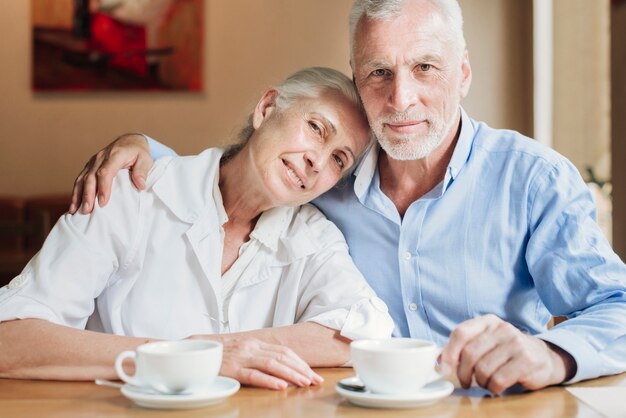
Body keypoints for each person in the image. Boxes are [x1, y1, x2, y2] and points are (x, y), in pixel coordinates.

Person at [68, 0, 626, 395]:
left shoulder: (533, 180)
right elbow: (244, 171)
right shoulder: (329, 177)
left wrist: (553, 355)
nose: (400, 97)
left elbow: (617, 307)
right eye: (378, 73)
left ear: (462, 73)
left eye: (425, 68)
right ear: (357, 81)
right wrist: (145, 147)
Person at [0, 67, 394, 390]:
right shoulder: (130, 192)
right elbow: (10, 338)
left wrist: (216, 348)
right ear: (267, 108)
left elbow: (364, 331)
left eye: (339, 160)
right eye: (315, 128)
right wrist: (187, 359)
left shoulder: (314, 236)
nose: (317, 160)